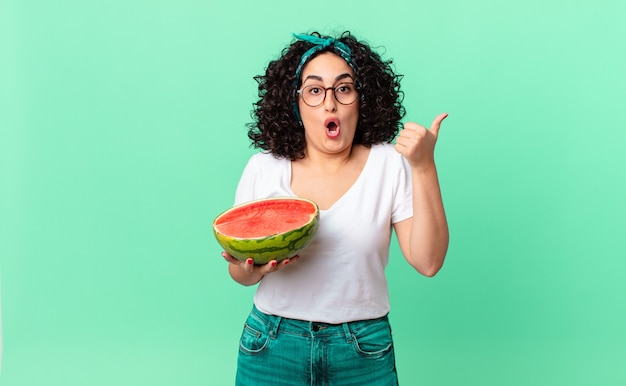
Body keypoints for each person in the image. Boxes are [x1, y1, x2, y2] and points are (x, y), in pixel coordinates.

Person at [221, 31, 449, 385]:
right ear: (294, 104)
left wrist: (423, 165)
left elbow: (428, 261)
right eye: (314, 90)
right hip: (271, 343)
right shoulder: (264, 168)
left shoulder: (389, 164)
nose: (330, 104)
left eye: (343, 89)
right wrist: (252, 269)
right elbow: (240, 275)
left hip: (362, 349)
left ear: (362, 100)